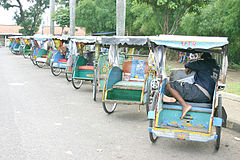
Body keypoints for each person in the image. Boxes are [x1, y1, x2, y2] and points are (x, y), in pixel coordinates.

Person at [163, 52, 220, 120]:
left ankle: (185, 106)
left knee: (170, 85)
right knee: (182, 88)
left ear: (202, 59)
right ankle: (173, 98)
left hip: (199, 92)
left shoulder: (203, 63)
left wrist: (195, 62)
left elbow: (188, 64)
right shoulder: (216, 67)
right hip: (208, 96)